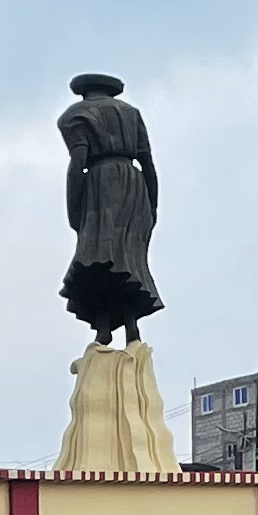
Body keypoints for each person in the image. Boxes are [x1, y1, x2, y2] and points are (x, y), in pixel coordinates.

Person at [58, 73, 162, 344]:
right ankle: (130, 324)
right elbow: (148, 163)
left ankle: (104, 325)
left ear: (82, 92)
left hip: (100, 185)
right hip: (134, 185)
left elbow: (77, 162)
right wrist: (152, 203)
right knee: (128, 257)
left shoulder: (75, 115)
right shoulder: (131, 113)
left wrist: (74, 205)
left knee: (98, 256)